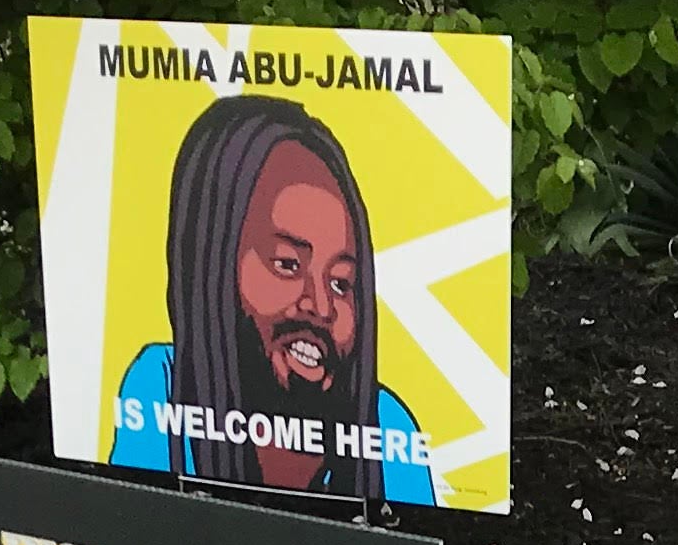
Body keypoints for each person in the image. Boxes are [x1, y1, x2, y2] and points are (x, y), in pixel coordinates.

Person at [108, 96, 438, 505]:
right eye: (287, 264)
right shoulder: (163, 386)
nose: (321, 306)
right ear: (212, 259)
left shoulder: (388, 427)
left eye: (341, 283)